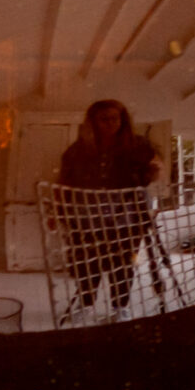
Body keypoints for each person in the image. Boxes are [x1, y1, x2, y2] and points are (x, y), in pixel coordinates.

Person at [55, 99, 165, 316]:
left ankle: (119, 307)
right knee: (87, 263)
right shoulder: (78, 149)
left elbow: (155, 169)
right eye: (104, 119)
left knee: (123, 263)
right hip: (88, 217)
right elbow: (64, 181)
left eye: (115, 118)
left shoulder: (138, 144)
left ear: (123, 120)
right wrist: (60, 211)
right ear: (93, 122)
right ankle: (86, 305)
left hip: (128, 216)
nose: (110, 123)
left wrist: (151, 175)